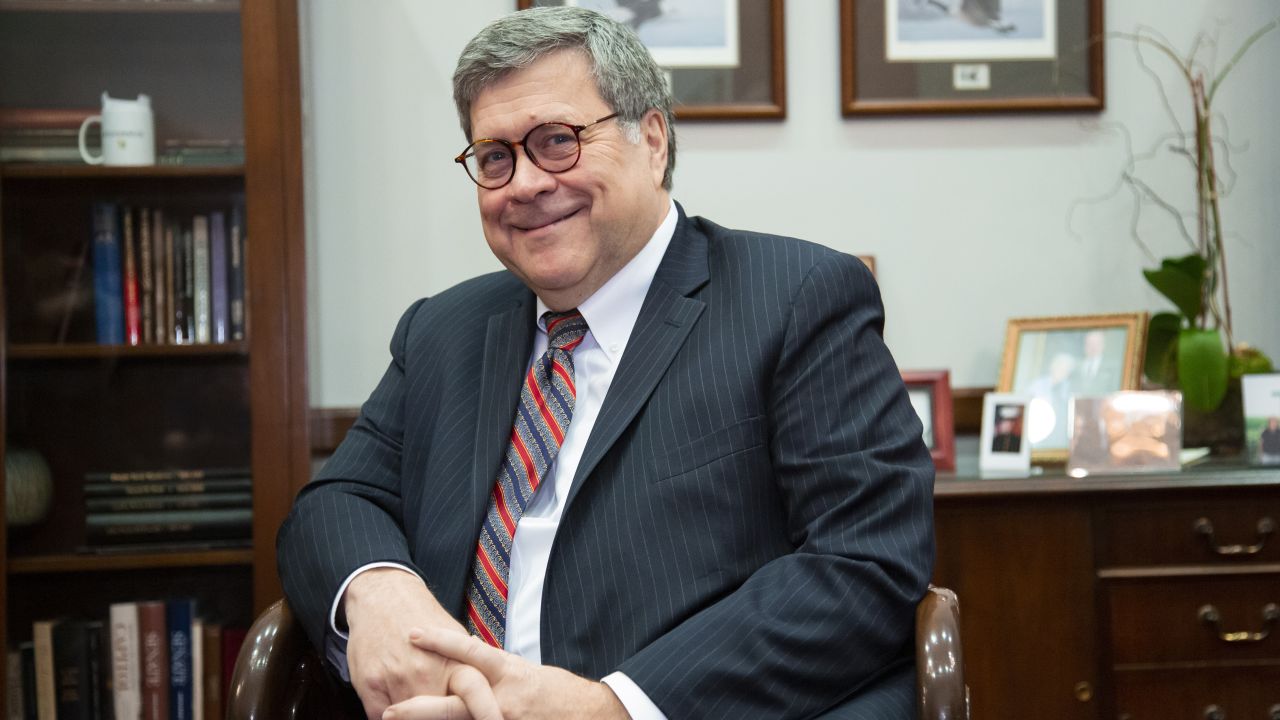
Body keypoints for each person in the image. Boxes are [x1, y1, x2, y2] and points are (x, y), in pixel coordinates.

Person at [277, 7, 934, 720]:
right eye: (495, 157)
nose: (523, 184)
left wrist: (613, 707)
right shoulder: (443, 329)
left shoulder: (796, 298)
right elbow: (334, 504)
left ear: (651, 140)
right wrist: (375, 591)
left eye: (557, 142)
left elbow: (864, 562)